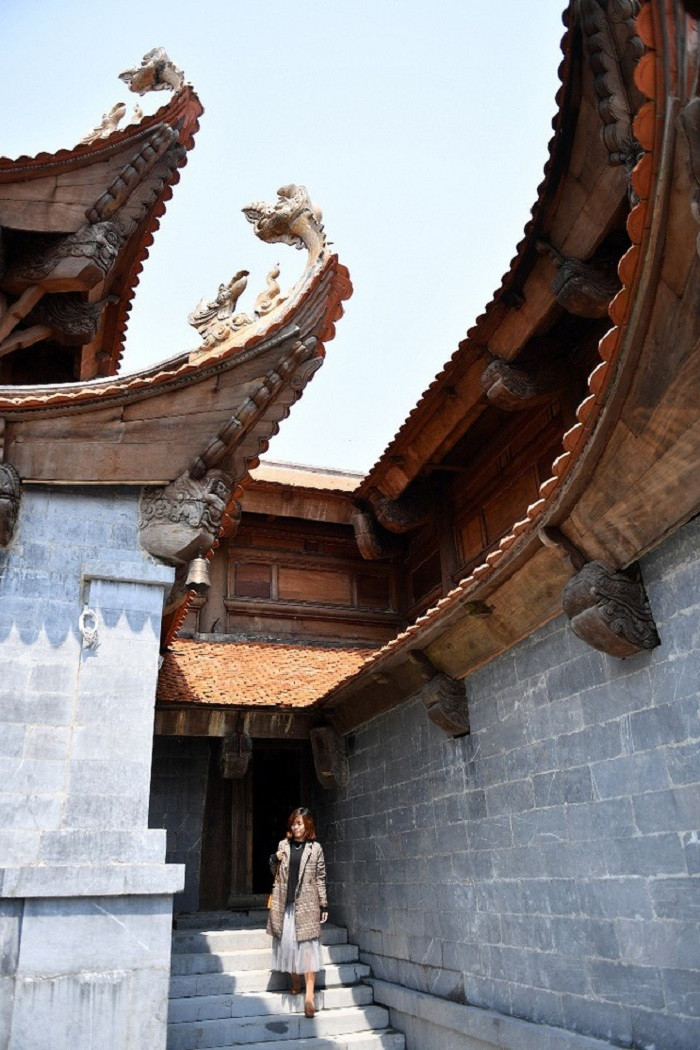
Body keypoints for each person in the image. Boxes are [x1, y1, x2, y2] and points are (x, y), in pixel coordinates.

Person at [267, 807, 328, 1017]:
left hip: (308, 905)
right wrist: (274, 859)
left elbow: (320, 877)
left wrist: (324, 904)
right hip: (286, 904)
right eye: (293, 823)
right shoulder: (283, 845)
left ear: (307, 825)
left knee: (308, 951)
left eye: (299, 823)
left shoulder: (315, 848)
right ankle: (295, 981)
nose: (295, 827)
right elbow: (275, 873)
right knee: (289, 948)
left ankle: (309, 997)